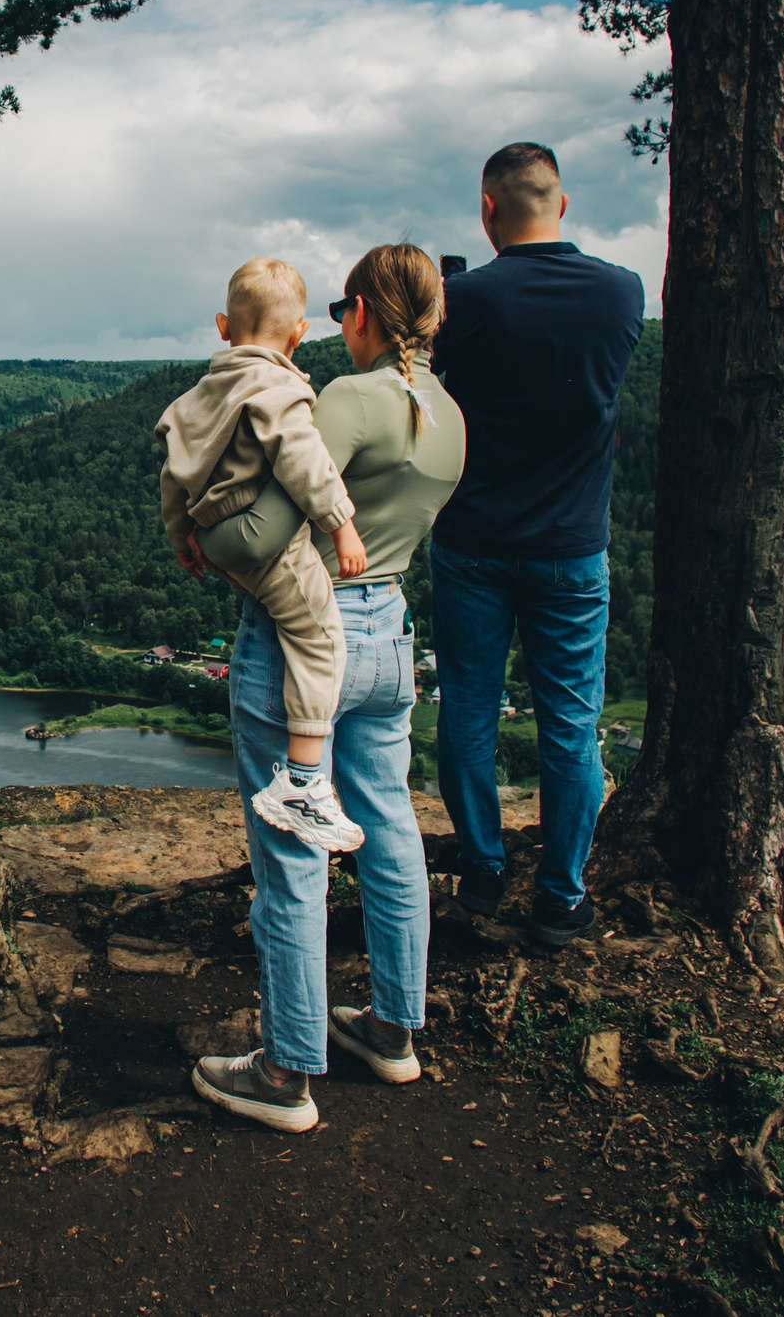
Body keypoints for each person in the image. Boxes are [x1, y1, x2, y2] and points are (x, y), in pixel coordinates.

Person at [186, 244, 466, 1131]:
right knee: (391, 829)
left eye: (348, 310)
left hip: (309, 642)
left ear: (365, 316)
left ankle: (286, 1068)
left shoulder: (345, 399)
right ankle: (392, 1028)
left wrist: (203, 532)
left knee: (292, 848)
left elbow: (267, 529)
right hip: (390, 632)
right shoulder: (449, 415)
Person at [430, 143, 645, 947]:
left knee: (470, 711)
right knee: (570, 725)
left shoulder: (466, 299)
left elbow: (435, 376)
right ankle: (561, 895)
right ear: (563, 202)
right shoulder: (622, 292)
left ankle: (482, 870)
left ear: (487, 210)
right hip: (572, 545)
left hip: (473, 539)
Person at [157, 257, 370, 850]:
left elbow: (173, 480)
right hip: (265, 542)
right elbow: (305, 463)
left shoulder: (196, 396)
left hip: (216, 537)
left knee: (278, 617)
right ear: (299, 333)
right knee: (319, 635)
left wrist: (184, 541)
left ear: (224, 326)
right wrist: (341, 526)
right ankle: (302, 782)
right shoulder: (279, 387)